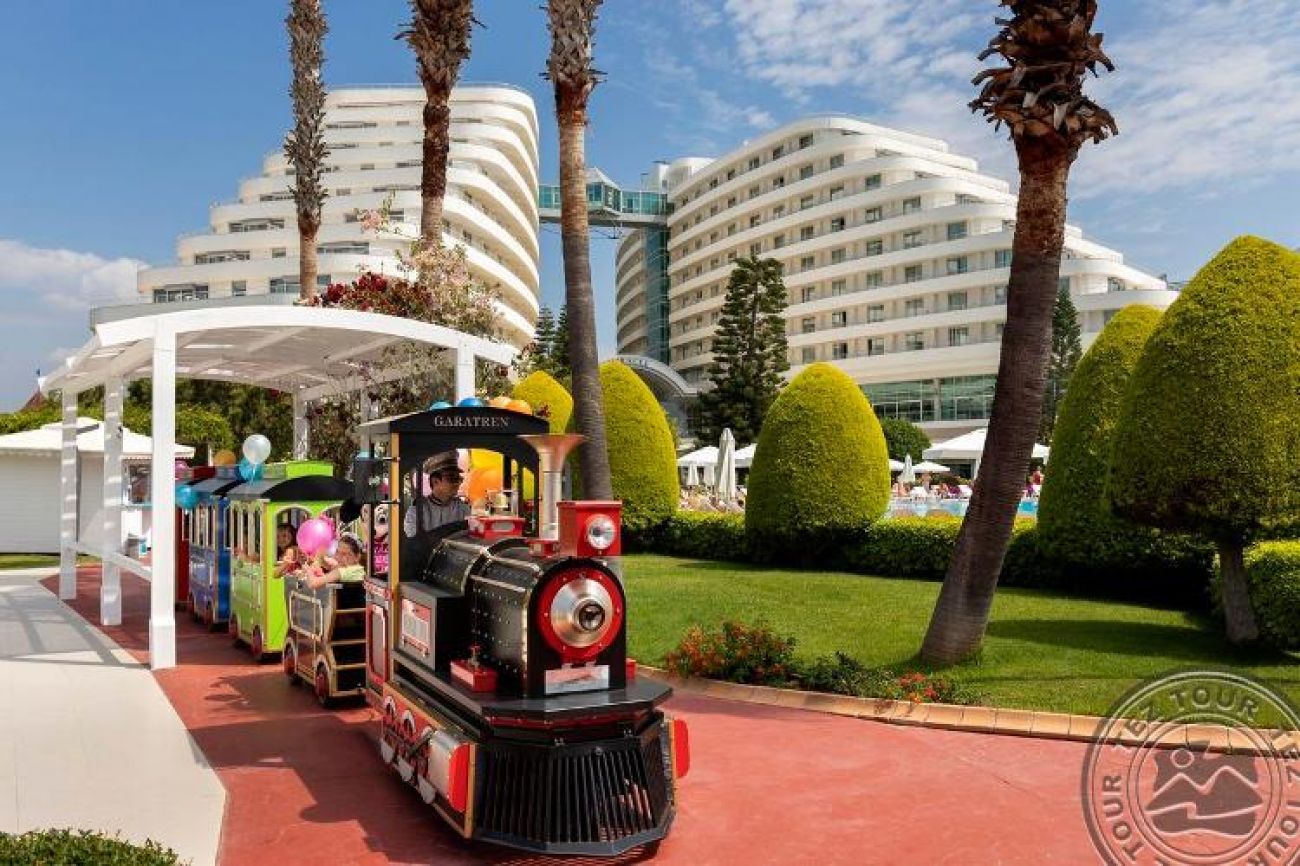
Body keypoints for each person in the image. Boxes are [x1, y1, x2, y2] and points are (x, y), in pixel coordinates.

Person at [403, 451, 470, 538]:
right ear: (435, 481)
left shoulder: (462, 508)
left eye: (459, 478)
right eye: (452, 478)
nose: (458, 483)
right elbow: (415, 540)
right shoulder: (417, 511)